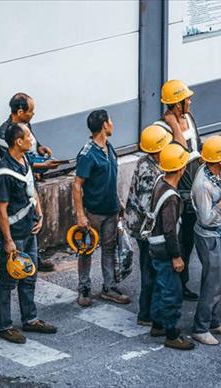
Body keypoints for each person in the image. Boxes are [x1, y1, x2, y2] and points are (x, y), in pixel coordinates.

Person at [0, 123, 57, 343]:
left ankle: (30, 318)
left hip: (30, 230)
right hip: (15, 235)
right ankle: (5, 325)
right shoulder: (3, 174)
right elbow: (1, 209)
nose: (32, 139)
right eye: (28, 136)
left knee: (30, 275)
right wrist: (8, 241)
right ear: (18, 142)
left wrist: (39, 212)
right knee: (8, 280)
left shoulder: (25, 161)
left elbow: (32, 190)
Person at [0, 92, 61, 272]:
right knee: (19, 228)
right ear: (20, 111)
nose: (33, 114)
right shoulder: (4, 133)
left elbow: (32, 143)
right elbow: (15, 159)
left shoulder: (25, 125)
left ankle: (34, 257)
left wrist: (41, 148)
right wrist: (41, 165)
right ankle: (16, 258)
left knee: (33, 222)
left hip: (29, 181)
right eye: (31, 111)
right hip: (15, 187)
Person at [72, 109, 130, 306]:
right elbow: (77, 185)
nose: (112, 124)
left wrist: (118, 201)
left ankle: (109, 287)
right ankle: (84, 288)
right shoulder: (88, 154)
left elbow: (111, 179)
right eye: (110, 121)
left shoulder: (109, 147)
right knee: (86, 249)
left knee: (109, 248)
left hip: (111, 210)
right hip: (94, 212)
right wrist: (81, 215)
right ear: (105, 124)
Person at [154, 79, 201, 301]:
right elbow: (179, 150)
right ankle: (175, 284)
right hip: (178, 190)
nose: (190, 102)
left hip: (194, 185)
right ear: (176, 104)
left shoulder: (190, 118)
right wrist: (173, 125)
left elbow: (196, 149)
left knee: (188, 239)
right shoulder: (163, 128)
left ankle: (183, 282)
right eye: (186, 100)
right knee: (177, 236)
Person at [191, 136, 221, 345]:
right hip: (209, 236)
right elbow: (206, 218)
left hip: (217, 234)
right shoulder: (203, 185)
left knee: (214, 280)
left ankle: (212, 321)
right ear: (219, 160)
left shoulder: (213, 174)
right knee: (213, 283)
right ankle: (200, 327)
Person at [148, 143, 195, 350]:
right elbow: (170, 231)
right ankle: (172, 334)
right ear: (181, 168)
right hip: (165, 248)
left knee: (161, 286)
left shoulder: (160, 182)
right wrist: (177, 256)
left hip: (154, 245)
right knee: (172, 291)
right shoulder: (171, 198)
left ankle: (158, 324)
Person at [125, 125, 172, 324]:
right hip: (144, 229)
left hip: (143, 226)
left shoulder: (150, 163)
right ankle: (145, 313)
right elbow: (147, 206)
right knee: (149, 269)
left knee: (149, 268)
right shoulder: (148, 172)